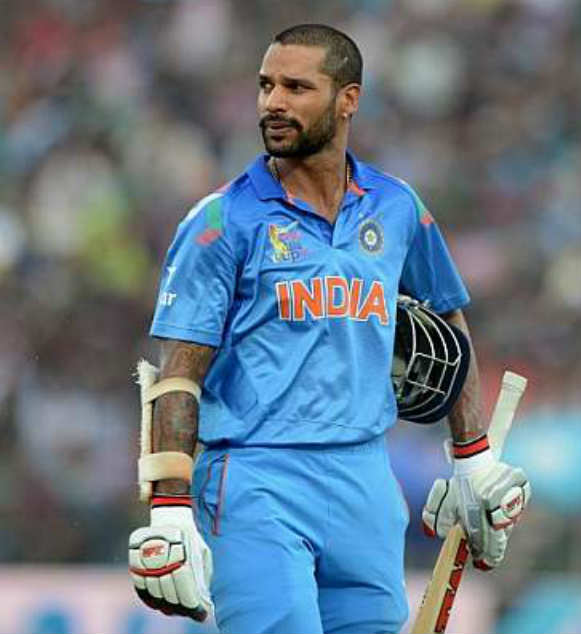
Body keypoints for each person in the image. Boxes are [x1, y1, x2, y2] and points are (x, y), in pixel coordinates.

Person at [127, 23, 531, 634]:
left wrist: (472, 461)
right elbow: (178, 376)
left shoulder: (396, 207)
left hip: (365, 478)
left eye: (296, 87)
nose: (273, 102)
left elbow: (448, 323)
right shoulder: (220, 221)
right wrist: (170, 506)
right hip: (256, 479)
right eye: (266, 86)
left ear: (348, 99)